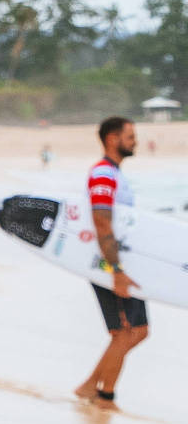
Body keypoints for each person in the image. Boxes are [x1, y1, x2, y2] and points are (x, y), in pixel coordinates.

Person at [77, 116, 149, 409]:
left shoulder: (115, 174)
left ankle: (89, 386)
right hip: (108, 263)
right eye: (130, 136)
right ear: (112, 139)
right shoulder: (103, 174)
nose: (135, 142)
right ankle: (105, 396)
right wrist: (116, 271)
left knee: (139, 330)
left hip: (122, 261)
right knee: (124, 332)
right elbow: (102, 223)